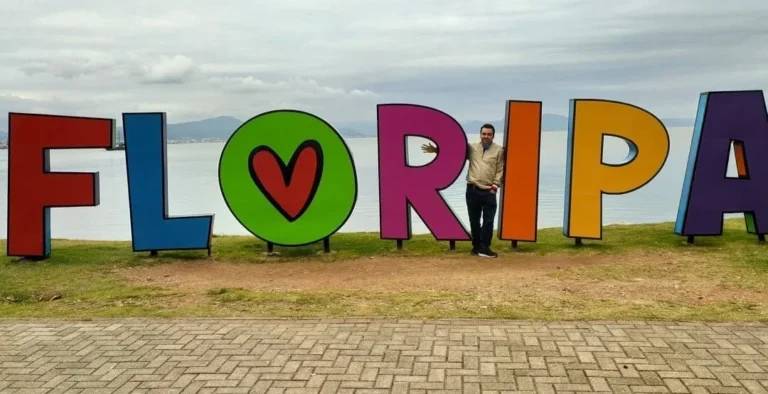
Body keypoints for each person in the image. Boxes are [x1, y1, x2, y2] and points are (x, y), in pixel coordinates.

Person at [421, 123, 504, 258]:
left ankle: (484, 247)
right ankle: (476, 247)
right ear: (480, 134)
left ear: (493, 136)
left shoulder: (499, 150)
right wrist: (436, 150)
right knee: (474, 220)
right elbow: (454, 152)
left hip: (489, 191)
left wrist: (495, 187)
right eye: (484, 134)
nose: (486, 136)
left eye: (489, 134)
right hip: (472, 189)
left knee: (488, 221)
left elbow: (500, 169)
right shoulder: (472, 148)